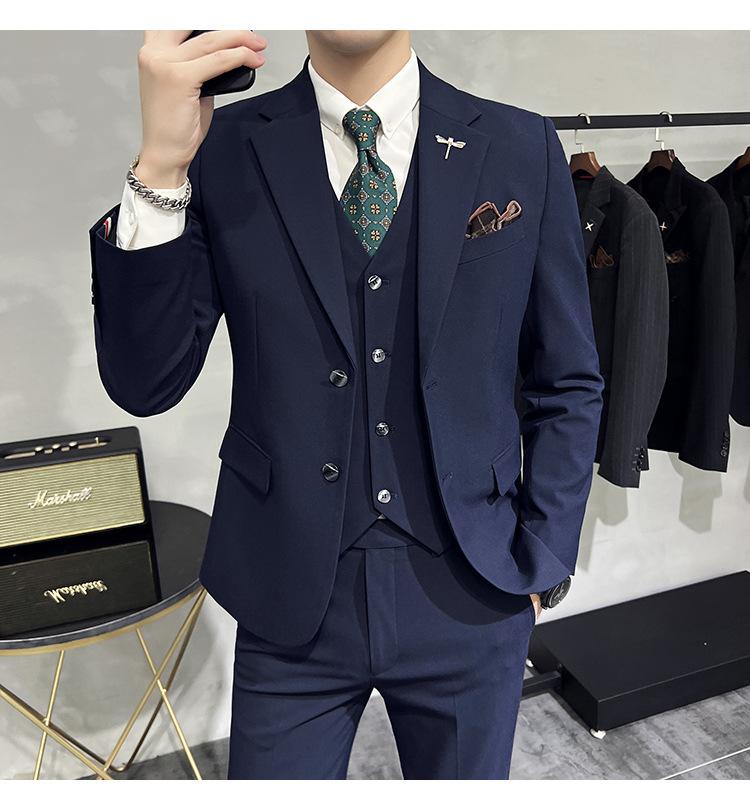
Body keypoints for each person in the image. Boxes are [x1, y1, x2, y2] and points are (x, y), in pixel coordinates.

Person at [88, 29, 604, 779]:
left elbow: (568, 378)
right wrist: (161, 166)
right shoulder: (223, 149)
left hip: (473, 587)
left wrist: (544, 556)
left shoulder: (520, 146)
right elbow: (146, 382)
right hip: (288, 595)